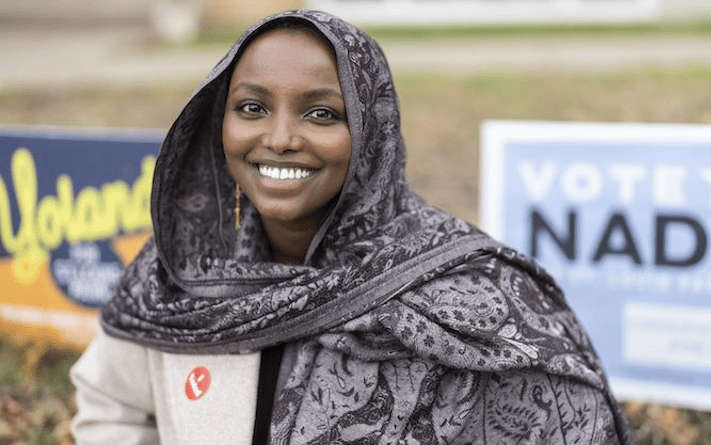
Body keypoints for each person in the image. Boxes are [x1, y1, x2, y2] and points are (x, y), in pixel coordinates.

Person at [70, 9, 635, 445]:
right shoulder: (181, 271)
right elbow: (110, 407)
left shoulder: (470, 295)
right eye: (251, 108)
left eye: (322, 113)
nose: (280, 137)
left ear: (372, 137)